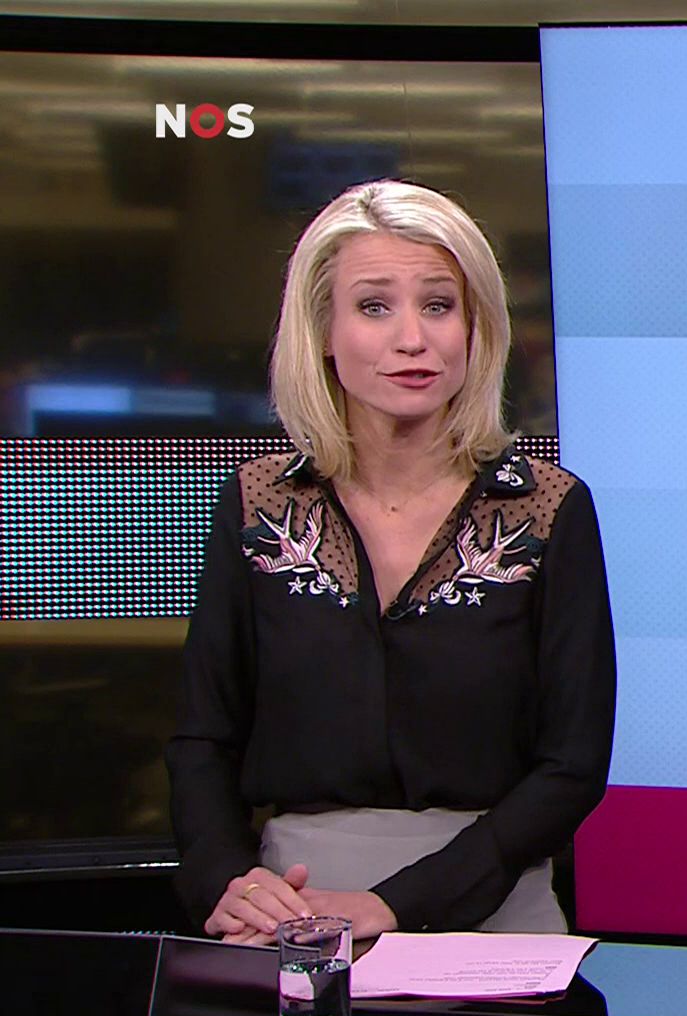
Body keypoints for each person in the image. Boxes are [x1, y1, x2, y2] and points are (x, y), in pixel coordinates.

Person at [165, 179, 616, 943]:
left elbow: (571, 765)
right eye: (375, 306)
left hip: (493, 905)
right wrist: (228, 880)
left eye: (438, 305)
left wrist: (399, 903)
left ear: (476, 328)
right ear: (323, 330)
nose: (413, 338)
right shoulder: (259, 504)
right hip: (295, 906)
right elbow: (203, 737)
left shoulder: (546, 509)